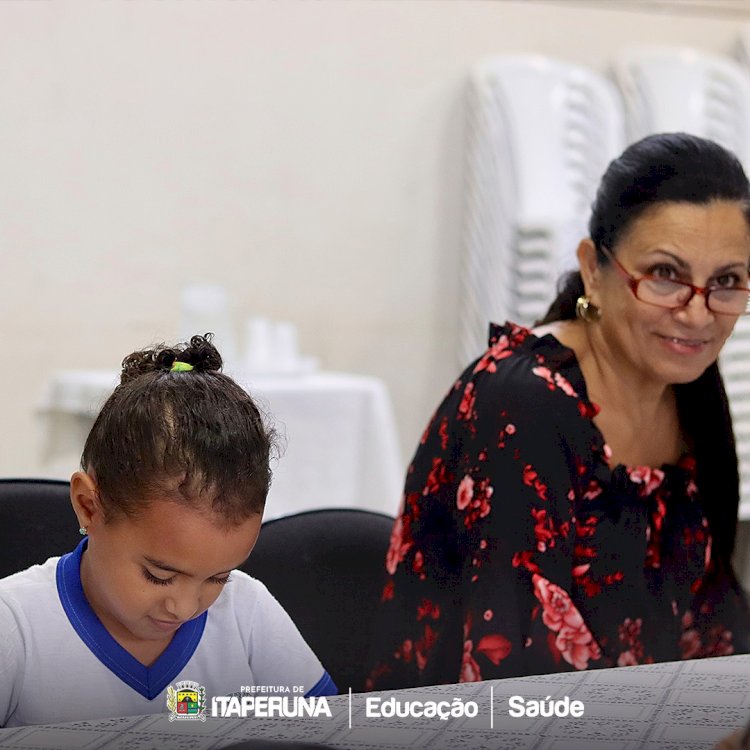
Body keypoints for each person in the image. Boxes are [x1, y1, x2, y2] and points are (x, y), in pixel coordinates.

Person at [367, 132, 750, 690]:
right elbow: (517, 682)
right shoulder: (523, 402)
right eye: (666, 274)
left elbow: (716, 630)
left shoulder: (687, 387)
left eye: (727, 282)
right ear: (594, 268)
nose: (697, 314)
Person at [0, 334, 336, 727]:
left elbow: (325, 732)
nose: (186, 607)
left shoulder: (247, 613)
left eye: (218, 578)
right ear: (89, 507)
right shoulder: (15, 627)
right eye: (159, 576)